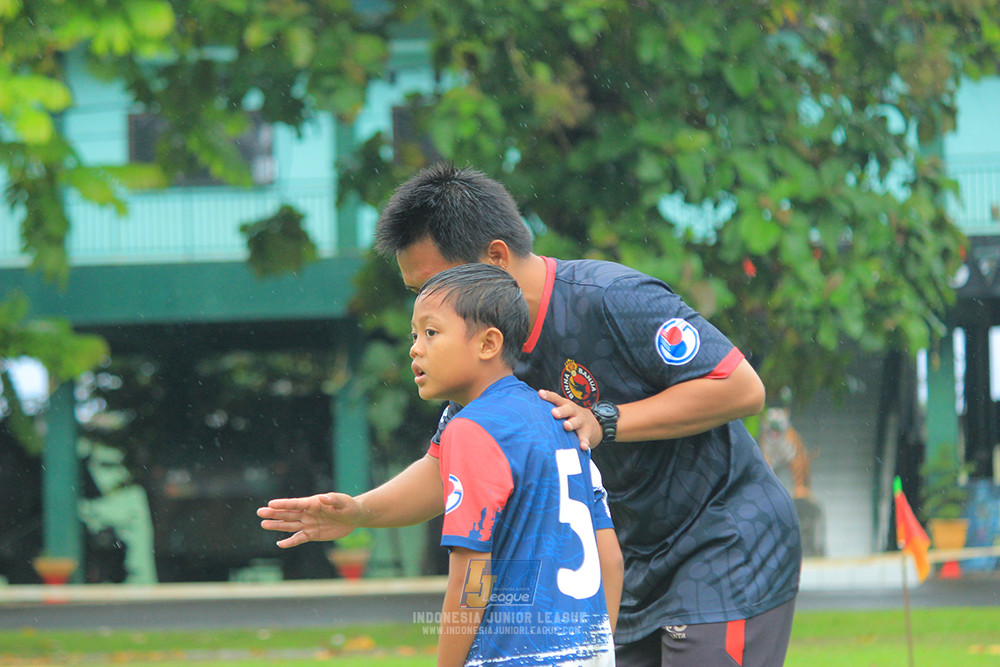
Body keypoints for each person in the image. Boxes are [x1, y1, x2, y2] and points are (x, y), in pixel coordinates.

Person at [258, 163, 802, 666]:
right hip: (628, 564)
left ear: (496, 259)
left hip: (722, 543)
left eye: (435, 285)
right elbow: (447, 469)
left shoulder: (611, 298)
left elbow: (740, 387)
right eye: (417, 293)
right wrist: (359, 512)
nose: (426, 308)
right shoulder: (484, 360)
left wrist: (605, 420)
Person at [409, 262, 615, 666]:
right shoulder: (561, 418)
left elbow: (472, 576)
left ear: (488, 343)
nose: (416, 348)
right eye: (413, 335)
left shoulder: (472, 428)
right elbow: (610, 558)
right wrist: (598, 650)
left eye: (431, 332)